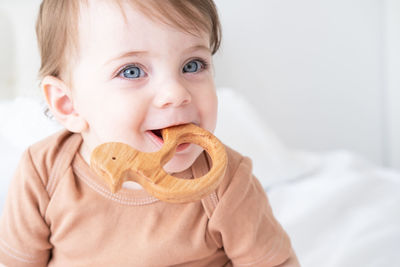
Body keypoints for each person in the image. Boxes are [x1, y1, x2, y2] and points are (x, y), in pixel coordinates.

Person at [0, 0, 300, 266]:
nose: (176, 93)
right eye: (132, 71)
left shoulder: (226, 184)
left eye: (193, 65)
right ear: (69, 105)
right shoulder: (43, 172)